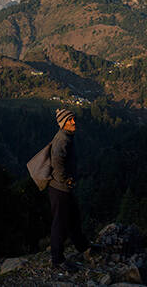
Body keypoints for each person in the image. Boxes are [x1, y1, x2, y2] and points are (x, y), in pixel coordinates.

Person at [48, 108, 90, 271]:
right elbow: (57, 161)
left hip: (62, 188)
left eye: (73, 119)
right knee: (60, 223)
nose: (74, 122)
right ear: (63, 123)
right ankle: (57, 259)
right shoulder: (62, 139)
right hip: (60, 189)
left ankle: (84, 247)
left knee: (73, 218)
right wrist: (65, 179)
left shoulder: (66, 137)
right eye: (70, 120)